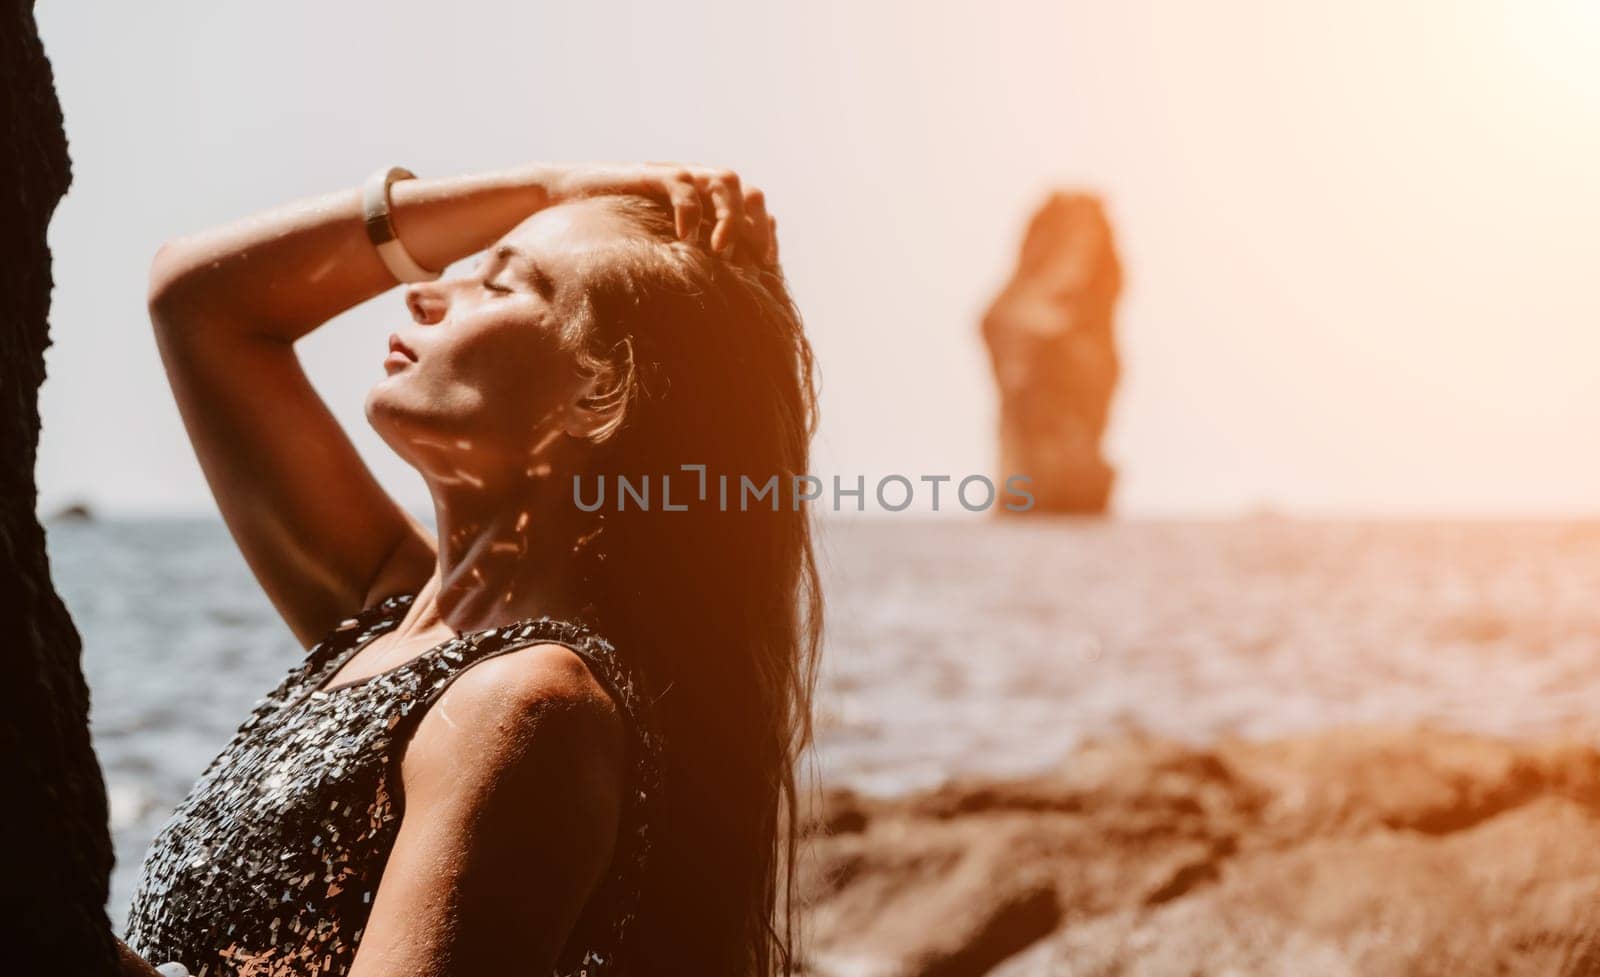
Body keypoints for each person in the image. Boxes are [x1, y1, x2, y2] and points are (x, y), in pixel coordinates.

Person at [115, 161, 823, 977]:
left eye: (500, 284)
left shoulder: (526, 705)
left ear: (595, 397)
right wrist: (551, 189)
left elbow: (202, 305)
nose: (425, 292)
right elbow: (198, 299)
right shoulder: (393, 619)